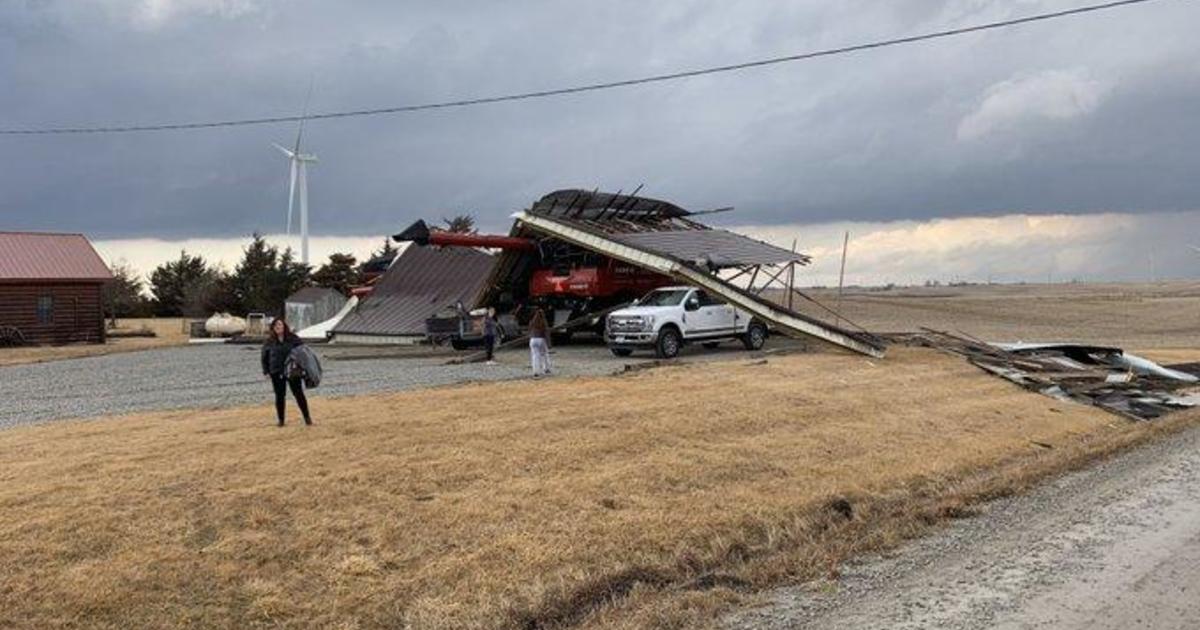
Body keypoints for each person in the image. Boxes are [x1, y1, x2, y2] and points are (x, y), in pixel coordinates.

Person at [261, 317, 312, 427]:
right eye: (276, 326)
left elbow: (303, 352)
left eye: (280, 325)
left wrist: (304, 367)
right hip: (276, 371)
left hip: (292, 371)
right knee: (279, 396)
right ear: (273, 328)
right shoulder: (269, 341)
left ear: (284, 326)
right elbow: (264, 357)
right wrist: (266, 371)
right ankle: (281, 420)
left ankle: (307, 418)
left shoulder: (293, 338)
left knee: (298, 394)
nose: (278, 327)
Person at [528, 308, 551, 377]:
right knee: (544, 354)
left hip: (532, 340)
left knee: (535, 356)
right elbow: (546, 332)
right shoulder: (543, 321)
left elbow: (529, 330)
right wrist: (549, 343)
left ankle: (536, 371)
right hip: (541, 339)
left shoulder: (532, 321)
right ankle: (546, 368)